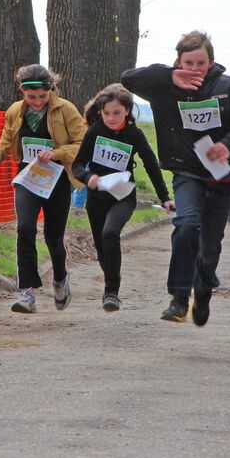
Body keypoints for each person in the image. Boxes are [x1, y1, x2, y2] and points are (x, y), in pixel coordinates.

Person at [121, 30, 230, 325]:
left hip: (221, 175)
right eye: (188, 63)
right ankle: (179, 298)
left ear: (211, 62)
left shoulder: (229, 86)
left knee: (210, 245)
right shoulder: (163, 86)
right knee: (186, 225)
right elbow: (128, 78)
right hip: (186, 170)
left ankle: (204, 289)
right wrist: (169, 76)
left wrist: (228, 145)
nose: (195, 69)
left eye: (201, 63)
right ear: (178, 61)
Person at [0, 64, 86, 313]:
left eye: (42, 96)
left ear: (50, 90)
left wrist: (57, 152)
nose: (37, 102)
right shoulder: (16, 111)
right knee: (25, 228)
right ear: (22, 92)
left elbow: (83, 143)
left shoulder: (66, 109)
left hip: (57, 179)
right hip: (27, 177)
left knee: (52, 237)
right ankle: (27, 291)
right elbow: (5, 142)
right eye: (31, 97)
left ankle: (60, 278)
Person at [72, 84, 174, 311]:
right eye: (106, 113)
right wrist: (88, 177)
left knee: (110, 233)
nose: (111, 118)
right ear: (100, 112)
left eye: (116, 113)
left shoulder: (134, 135)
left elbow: (151, 165)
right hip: (97, 197)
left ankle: (111, 292)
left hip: (123, 196)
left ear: (127, 111)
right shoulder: (95, 131)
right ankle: (111, 281)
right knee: (102, 248)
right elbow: (77, 164)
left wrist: (165, 197)